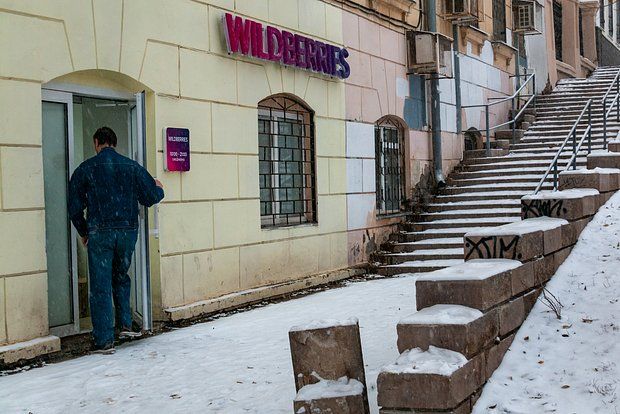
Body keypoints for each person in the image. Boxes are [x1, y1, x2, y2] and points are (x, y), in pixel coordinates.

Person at [68, 126, 164, 354]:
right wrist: (159, 188)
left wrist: (84, 232)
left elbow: (73, 208)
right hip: (127, 232)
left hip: (100, 232)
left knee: (100, 284)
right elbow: (150, 197)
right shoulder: (131, 167)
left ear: (96, 142)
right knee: (121, 276)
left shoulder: (86, 169)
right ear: (114, 142)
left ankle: (104, 339)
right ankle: (125, 325)